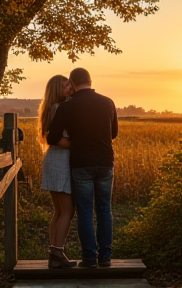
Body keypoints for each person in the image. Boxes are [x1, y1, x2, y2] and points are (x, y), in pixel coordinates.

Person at [47, 67, 118, 268]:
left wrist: (77, 141)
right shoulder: (108, 102)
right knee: (104, 209)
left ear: (73, 82)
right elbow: (113, 133)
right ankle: (105, 258)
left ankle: (89, 259)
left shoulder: (68, 106)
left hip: (81, 165)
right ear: (90, 80)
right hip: (105, 162)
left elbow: (52, 137)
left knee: (85, 211)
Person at [37, 75, 77, 268]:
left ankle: (53, 252)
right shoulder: (59, 108)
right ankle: (57, 254)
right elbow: (57, 139)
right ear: (56, 90)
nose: (70, 87)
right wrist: (77, 144)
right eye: (65, 85)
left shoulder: (50, 107)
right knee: (67, 211)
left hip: (53, 161)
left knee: (59, 211)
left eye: (70, 84)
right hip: (60, 162)